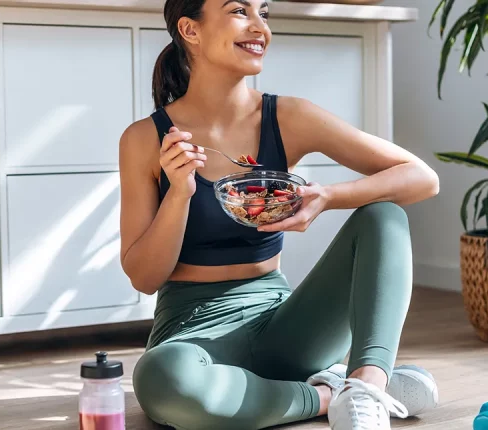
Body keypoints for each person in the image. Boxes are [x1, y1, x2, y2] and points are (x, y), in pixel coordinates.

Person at [118, 0, 441, 428]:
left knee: (384, 216)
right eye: (239, 11)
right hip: (193, 334)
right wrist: (179, 193)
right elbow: (144, 278)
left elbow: (421, 177)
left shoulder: (287, 117)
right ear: (190, 30)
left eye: (263, 12)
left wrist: (327, 195)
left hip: (286, 327)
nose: (259, 27)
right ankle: (329, 394)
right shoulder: (145, 139)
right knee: (165, 380)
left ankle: (367, 386)